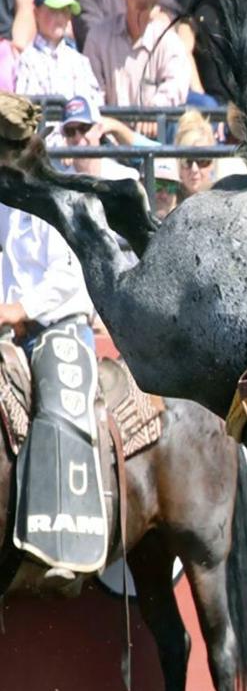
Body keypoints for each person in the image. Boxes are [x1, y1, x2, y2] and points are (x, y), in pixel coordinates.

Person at [0, 196, 99, 583]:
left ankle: (64, 537)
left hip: (61, 325)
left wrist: (18, 308)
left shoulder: (54, 200)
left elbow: (67, 276)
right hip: (14, 331)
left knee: (57, 407)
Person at [83, 0, 190, 118]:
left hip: (157, 139)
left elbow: (176, 86)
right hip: (108, 138)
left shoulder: (169, 41)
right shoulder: (98, 38)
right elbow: (90, 91)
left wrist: (153, 111)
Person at [15, 0, 104, 104]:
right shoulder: (28, 61)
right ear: (36, 13)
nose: (59, 17)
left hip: (79, 125)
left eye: (64, 10)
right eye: (53, 10)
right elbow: (27, 112)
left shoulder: (79, 61)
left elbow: (96, 105)